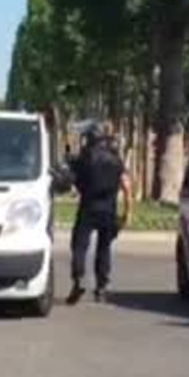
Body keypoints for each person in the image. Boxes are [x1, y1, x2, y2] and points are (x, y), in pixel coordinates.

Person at [67, 124, 132, 304]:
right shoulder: (115, 160)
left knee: (79, 245)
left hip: (88, 207)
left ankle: (78, 279)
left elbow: (72, 180)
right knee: (104, 248)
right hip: (108, 209)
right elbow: (126, 186)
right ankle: (101, 287)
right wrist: (127, 211)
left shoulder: (84, 159)